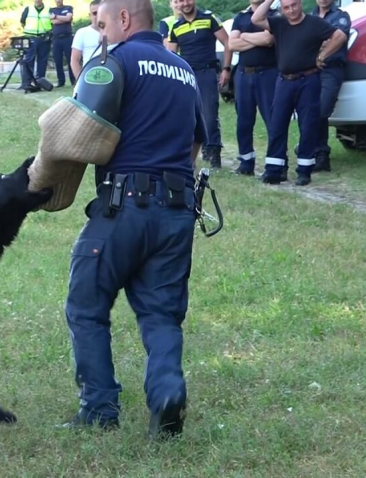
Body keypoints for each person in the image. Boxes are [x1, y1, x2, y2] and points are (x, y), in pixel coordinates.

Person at [60, 0, 207, 439]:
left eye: (102, 24)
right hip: (178, 211)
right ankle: (166, 393)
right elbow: (195, 144)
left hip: (124, 207)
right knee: (161, 315)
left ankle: (99, 409)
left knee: (86, 305)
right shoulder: (182, 70)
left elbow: (77, 131)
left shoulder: (112, 61)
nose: (99, 33)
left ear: (125, 19)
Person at [250, 0, 346, 185]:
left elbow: (340, 36)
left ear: (300, 3)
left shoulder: (314, 23)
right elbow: (256, 18)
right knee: (277, 124)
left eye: (294, 5)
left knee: (308, 125)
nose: (291, 10)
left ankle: (304, 170)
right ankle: (274, 170)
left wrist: (322, 55)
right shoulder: (279, 23)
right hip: (284, 81)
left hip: (308, 80)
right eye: (286, 7)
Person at [166, 0, 232, 169]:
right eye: (180, 1)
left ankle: (214, 151)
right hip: (187, 76)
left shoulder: (209, 19)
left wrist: (226, 68)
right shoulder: (176, 26)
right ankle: (192, 153)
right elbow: (171, 55)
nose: (185, 3)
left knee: (209, 115)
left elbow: (228, 43)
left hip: (207, 72)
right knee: (188, 116)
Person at [227, 0, 278, 176]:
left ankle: (275, 165)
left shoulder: (274, 15)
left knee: (273, 120)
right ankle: (246, 163)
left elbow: (268, 39)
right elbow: (232, 45)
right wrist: (256, 39)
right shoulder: (240, 17)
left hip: (268, 74)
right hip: (243, 75)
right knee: (244, 122)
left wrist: (243, 36)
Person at [311, 0, 350, 172]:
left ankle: (321, 154)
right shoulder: (309, 17)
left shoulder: (341, 16)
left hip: (331, 69)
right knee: (309, 110)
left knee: (322, 110)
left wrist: (321, 52)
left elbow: (337, 39)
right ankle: (314, 152)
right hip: (311, 70)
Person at [20, 0, 53, 90]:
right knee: (28, 60)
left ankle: (40, 82)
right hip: (30, 38)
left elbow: (53, 23)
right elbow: (22, 21)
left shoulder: (49, 9)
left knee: (42, 61)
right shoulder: (28, 9)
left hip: (44, 38)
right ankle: (26, 83)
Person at [70, 0, 102, 79]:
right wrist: (80, 81)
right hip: (89, 75)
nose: (98, 16)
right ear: (89, 15)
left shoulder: (115, 32)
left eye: (101, 12)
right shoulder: (82, 33)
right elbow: (74, 60)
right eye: (95, 13)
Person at [50, 0, 77, 87]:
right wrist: (64, 19)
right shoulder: (52, 10)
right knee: (58, 60)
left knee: (70, 59)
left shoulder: (68, 8)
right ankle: (61, 81)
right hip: (56, 38)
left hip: (67, 37)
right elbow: (53, 22)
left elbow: (68, 18)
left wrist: (56, 16)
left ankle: (73, 80)